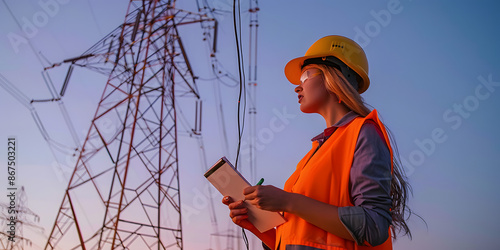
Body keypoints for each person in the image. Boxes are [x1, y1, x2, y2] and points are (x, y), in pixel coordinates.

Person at [222, 35, 412, 250]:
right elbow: (300, 241)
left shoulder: (363, 132)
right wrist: (257, 225)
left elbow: (374, 227)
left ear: (336, 76)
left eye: (305, 75)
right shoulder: (315, 153)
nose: (297, 86)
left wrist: (287, 201)